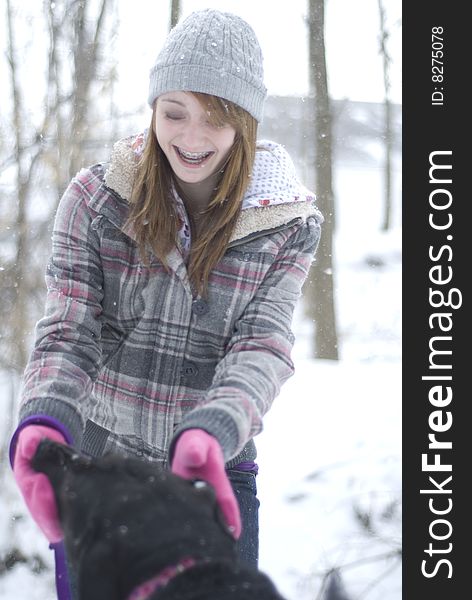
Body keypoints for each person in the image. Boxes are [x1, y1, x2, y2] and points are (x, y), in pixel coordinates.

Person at [10, 8, 322, 599]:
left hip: (210, 466)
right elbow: (70, 327)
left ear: (245, 123)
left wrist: (213, 427)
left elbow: (262, 344)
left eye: (216, 118)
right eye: (173, 113)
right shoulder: (95, 199)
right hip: (101, 469)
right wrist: (46, 417)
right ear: (152, 109)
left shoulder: (286, 224)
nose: (191, 138)